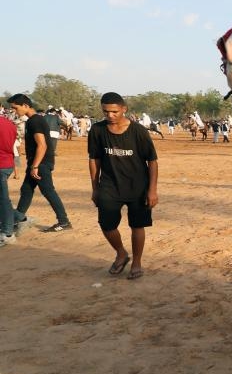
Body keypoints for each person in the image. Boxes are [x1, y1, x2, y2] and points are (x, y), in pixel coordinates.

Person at [87, 92, 159, 279]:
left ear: (124, 109)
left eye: (114, 111)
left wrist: (152, 190)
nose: (110, 115)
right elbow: (94, 159)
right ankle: (121, 253)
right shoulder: (97, 130)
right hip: (109, 186)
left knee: (137, 226)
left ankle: (136, 262)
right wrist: (95, 188)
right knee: (106, 224)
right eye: (106, 112)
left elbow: (152, 161)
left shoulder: (138, 131)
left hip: (138, 187)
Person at [6, 93, 72, 232]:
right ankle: (17, 220)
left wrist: (35, 166)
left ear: (25, 106)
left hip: (40, 163)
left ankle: (64, 221)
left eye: (15, 108)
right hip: (37, 162)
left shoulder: (35, 121)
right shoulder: (34, 120)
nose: (13, 111)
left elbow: (42, 145)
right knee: (26, 190)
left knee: (48, 191)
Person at [0, 108, 16, 246]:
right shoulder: (9, 123)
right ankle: (18, 218)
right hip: (8, 163)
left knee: (3, 199)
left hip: (1, 164)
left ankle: (7, 232)